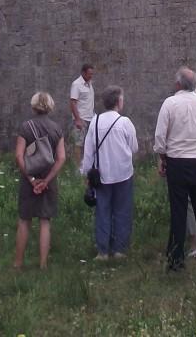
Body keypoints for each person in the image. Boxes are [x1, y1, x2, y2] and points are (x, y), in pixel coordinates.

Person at [154, 67, 196, 271]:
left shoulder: (170, 103)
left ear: (178, 84)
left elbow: (160, 137)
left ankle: (176, 259)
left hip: (178, 162)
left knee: (179, 211)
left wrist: (162, 157)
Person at [81, 86, 138, 261]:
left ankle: (103, 251)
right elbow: (134, 147)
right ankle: (119, 249)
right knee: (122, 211)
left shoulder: (95, 122)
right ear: (118, 102)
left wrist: (86, 173)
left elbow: (88, 150)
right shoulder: (125, 122)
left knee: (102, 211)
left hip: (101, 175)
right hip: (123, 173)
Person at [13, 91, 66, 270]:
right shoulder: (57, 128)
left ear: (33, 106)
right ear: (50, 106)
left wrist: (31, 178)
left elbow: (19, 156)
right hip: (48, 180)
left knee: (24, 220)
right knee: (45, 222)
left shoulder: (25, 127)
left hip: (29, 179)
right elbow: (61, 158)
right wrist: (47, 180)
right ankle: (43, 264)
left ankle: (18, 263)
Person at [69, 63, 96, 167]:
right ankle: (77, 169)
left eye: (92, 74)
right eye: (89, 74)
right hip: (81, 120)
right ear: (83, 73)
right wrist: (77, 119)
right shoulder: (76, 84)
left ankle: (87, 166)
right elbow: (72, 102)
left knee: (89, 144)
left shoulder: (89, 83)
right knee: (78, 144)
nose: (91, 76)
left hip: (91, 119)